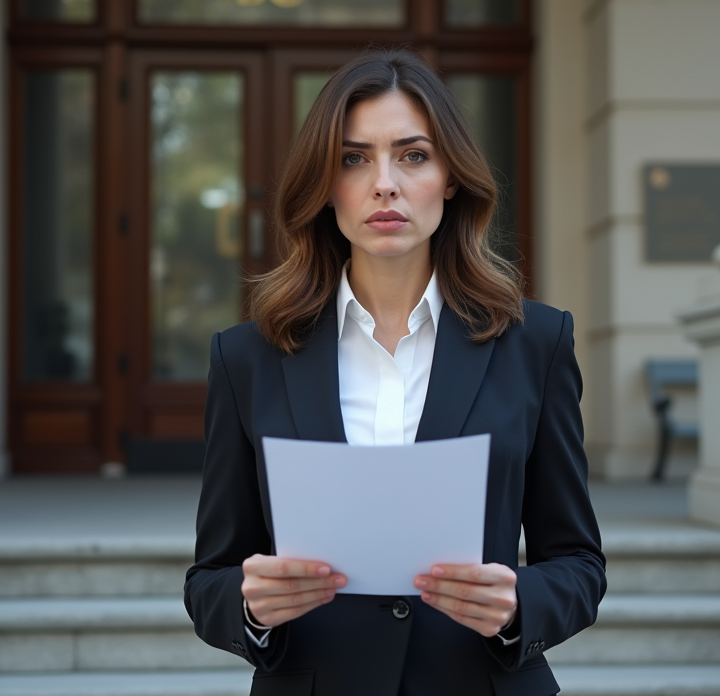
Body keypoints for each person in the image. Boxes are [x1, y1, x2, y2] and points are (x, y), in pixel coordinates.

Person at [184, 48, 606, 696]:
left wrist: (522, 603)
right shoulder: (247, 358)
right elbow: (210, 578)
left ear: (451, 177)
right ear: (326, 186)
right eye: (354, 159)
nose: (385, 183)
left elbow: (577, 563)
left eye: (412, 156)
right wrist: (250, 607)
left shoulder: (536, 343)